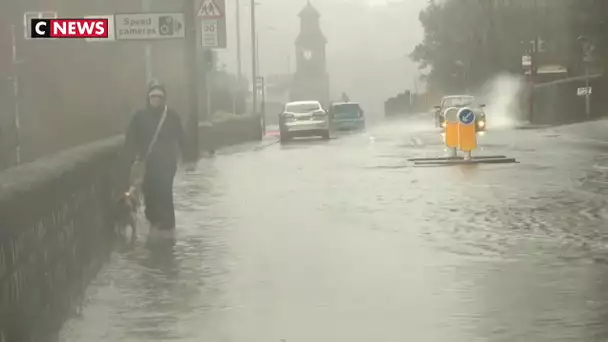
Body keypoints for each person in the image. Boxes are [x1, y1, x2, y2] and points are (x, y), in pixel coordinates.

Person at [122, 81, 186, 230]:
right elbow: (130, 140)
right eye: (153, 96)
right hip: (147, 165)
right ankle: (154, 223)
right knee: (149, 195)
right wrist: (128, 160)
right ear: (148, 98)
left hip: (166, 165)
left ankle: (168, 229)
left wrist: (186, 154)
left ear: (164, 99)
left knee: (165, 194)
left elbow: (181, 136)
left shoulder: (171, 116)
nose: (156, 99)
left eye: (159, 96)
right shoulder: (139, 117)